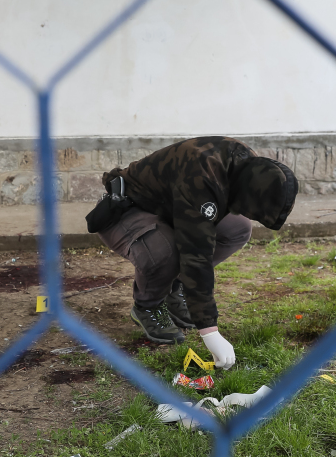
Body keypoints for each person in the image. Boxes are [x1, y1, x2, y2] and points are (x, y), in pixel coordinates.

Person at [92, 136, 298, 369]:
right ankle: (147, 306)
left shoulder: (247, 166)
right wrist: (210, 332)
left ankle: (175, 288)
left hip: (169, 206)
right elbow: (195, 255)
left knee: (238, 229)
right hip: (127, 210)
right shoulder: (202, 177)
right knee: (165, 252)